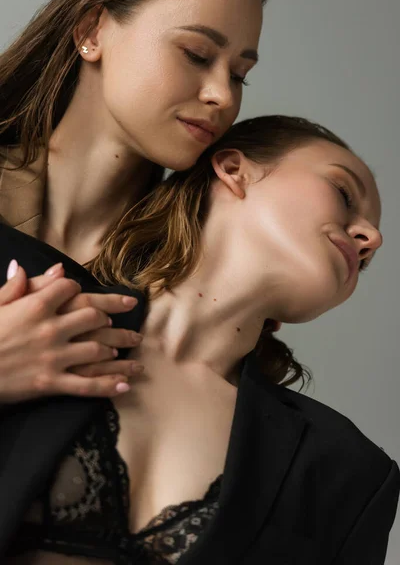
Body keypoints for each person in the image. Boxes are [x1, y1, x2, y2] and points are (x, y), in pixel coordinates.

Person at [0, 115, 399, 564]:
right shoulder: (21, 285)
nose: (372, 238)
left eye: (368, 256)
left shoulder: (346, 472)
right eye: (344, 194)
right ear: (233, 169)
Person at [0, 0, 268, 402]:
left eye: (239, 74)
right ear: (92, 31)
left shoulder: (190, 275)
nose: (223, 95)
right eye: (197, 54)